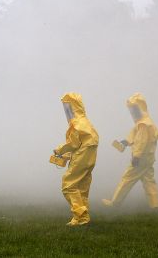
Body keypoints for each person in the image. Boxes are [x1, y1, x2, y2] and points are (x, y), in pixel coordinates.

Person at [102, 93, 158, 209]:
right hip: (148, 158)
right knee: (149, 181)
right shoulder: (145, 122)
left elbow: (142, 142)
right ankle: (156, 206)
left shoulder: (144, 124)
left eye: (135, 109)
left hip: (141, 159)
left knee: (127, 179)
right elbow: (135, 135)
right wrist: (125, 142)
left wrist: (136, 156)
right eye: (132, 109)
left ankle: (115, 203)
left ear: (141, 108)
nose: (133, 112)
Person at [54, 93, 99, 226]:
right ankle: (81, 218)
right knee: (81, 189)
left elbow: (73, 144)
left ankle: (81, 215)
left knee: (68, 185)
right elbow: (82, 146)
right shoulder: (87, 123)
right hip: (88, 161)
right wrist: (67, 156)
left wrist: (59, 150)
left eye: (67, 107)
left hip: (81, 160)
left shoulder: (76, 124)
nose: (66, 111)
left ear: (73, 107)